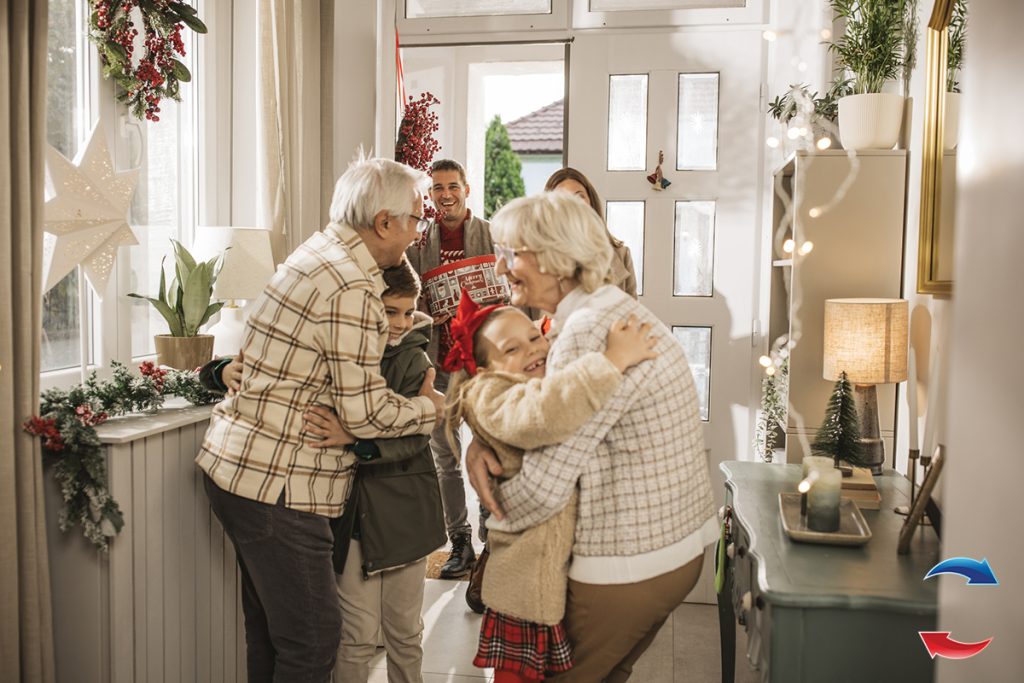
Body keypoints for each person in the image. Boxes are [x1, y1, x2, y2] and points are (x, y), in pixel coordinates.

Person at [196, 157, 445, 682]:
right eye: (416, 219)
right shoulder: (352, 286)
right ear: (383, 223)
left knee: (272, 635)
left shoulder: (315, 253)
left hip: (240, 471)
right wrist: (428, 409)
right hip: (280, 487)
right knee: (312, 643)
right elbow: (367, 410)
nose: (419, 231)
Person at [467, 192, 719, 682]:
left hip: (629, 561)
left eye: (512, 253)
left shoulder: (586, 332)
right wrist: (483, 443)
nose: (500, 267)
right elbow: (542, 413)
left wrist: (495, 512)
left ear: (557, 260)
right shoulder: (609, 310)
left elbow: (544, 488)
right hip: (676, 549)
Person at [441, 293, 657, 682]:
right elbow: (544, 415)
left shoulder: (532, 381)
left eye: (534, 337)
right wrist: (612, 361)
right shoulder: (493, 396)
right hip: (525, 590)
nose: (533, 350)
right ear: (484, 372)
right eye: (511, 348)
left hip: (555, 578)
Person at [300, 260, 446, 683]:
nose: (400, 322)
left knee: (403, 631)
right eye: (389, 311)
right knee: (357, 635)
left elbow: (417, 433)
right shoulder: (340, 353)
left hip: (404, 513)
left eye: (407, 311)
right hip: (354, 516)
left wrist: (357, 440)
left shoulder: (415, 361)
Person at [405, 158, 494, 579]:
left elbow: (508, 289)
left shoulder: (492, 235)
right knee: (445, 460)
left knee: (490, 452)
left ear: (467, 189)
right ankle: (460, 543)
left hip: (481, 366)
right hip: (438, 368)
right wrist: (428, 311)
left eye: (452, 186)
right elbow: (407, 303)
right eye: (437, 188)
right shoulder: (418, 245)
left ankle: (491, 538)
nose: (445, 195)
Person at [543, 167, 638, 298]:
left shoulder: (622, 255)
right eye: (562, 200)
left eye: (579, 197)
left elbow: (633, 314)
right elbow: (515, 315)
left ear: (591, 203)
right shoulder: (532, 259)